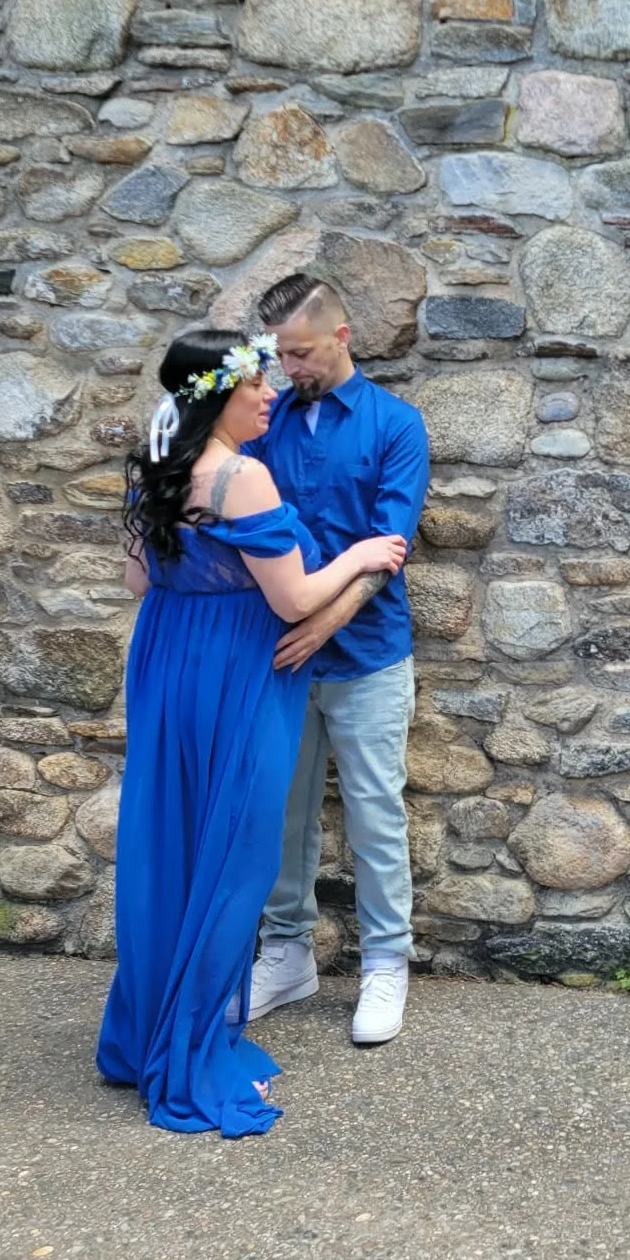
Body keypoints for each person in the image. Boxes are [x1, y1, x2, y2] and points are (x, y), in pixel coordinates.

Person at [97, 329, 407, 1136]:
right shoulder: (243, 475)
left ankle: (146, 1033)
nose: (270, 395)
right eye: (255, 386)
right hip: (238, 676)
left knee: (171, 846)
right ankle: (192, 1048)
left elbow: (138, 578)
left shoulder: (157, 470)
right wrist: (363, 553)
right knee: (234, 855)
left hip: (168, 670)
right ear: (218, 397)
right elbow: (296, 601)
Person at [239, 275, 431, 1046]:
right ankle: (286, 955)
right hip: (280, 658)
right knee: (283, 815)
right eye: (280, 354)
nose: (290, 368)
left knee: (375, 812)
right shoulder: (267, 421)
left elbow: (389, 551)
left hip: (369, 655)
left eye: (303, 352)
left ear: (343, 338)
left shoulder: (396, 425)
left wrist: (324, 624)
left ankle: (387, 961)